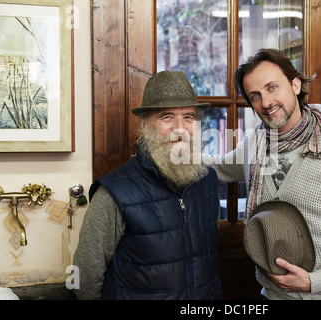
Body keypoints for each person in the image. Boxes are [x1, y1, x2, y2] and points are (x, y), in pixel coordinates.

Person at [203, 49, 321, 300]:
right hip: (274, 296)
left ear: (295, 85)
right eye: (255, 96)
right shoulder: (254, 144)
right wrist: (169, 151)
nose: (266, 102)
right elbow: (218, 167)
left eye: (272, 87)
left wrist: (315, 281)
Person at [73, 71, 222, 300]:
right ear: (145, 125)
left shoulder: (208, 181)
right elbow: (84, 277)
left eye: (189, 117)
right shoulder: (113, 191)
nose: (180, 129)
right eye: (167, 117)